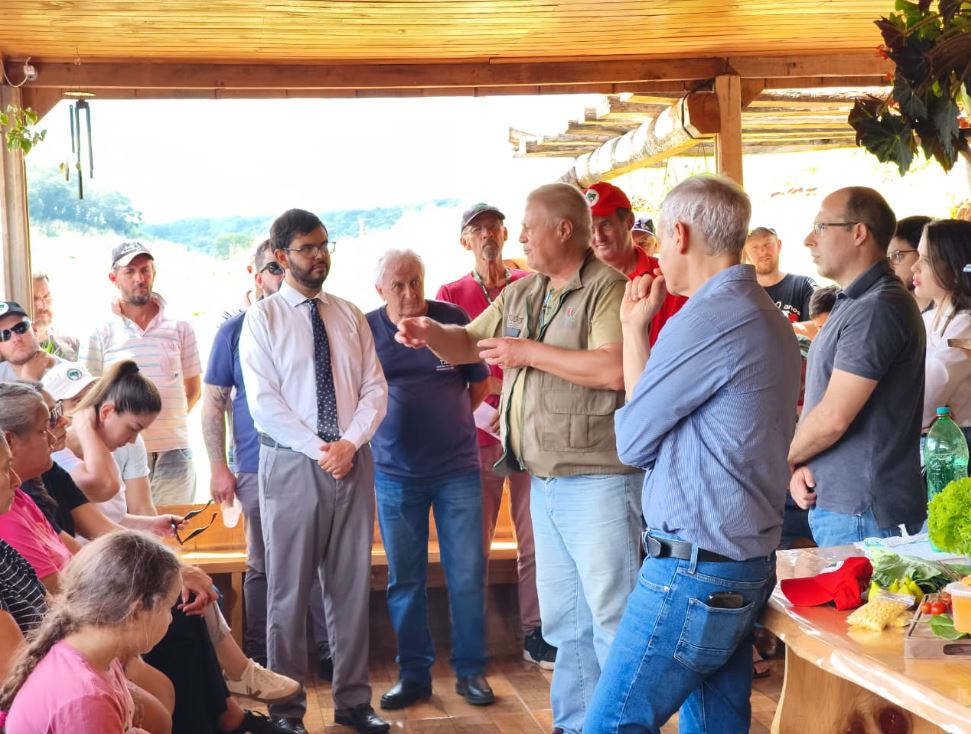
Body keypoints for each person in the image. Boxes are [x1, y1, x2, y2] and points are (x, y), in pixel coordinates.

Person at [396, 183, 642, 734]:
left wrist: (526, 352)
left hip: (599, 480)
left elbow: (613, 369)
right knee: (565, 622)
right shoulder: (523, 292)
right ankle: (575, 724)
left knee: (612, 616)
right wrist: (429, 333)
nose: (521, 238)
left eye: (529, 227)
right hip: (544, 480)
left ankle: (620, 725)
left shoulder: (609, 289)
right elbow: (467, 343)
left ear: (563, 230)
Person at [583, 175, 800, 733]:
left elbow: (633, 442)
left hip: (693, 569)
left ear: (679, 234)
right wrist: (634, 330)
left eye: (658, 235)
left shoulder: (706, 319)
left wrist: (639, 333)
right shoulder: (762, 312)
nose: (656, 249)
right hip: (738, 562)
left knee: (610, 724)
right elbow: (648, 418)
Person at [240, 208, 389, 734]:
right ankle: (286, 711)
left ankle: (353, 702)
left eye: (325, 245)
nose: (320, 255)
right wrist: (320, 448)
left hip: (352, 459)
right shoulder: (263, 319)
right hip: (292, 464)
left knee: (350, 588)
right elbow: (264, 403)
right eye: (308, 248)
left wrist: (349, 444)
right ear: (282, 257)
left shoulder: (349, 314)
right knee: (287, 593)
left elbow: (375, 387)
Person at [367, 249, 493, 709]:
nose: (409, 293)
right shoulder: (367, 329)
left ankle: (471, 671)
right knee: (405, 580)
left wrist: (449, 422)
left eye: (415, 282)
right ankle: (414, 674)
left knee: (467, 574)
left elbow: (479, 384)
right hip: (395, 475)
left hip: (457, 471)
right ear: (380, 290)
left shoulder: (450, 318)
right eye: (398, 285)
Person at [204, 238, 332, 676]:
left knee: (316, 561)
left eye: (286, 268)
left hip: (314, 460)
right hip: (255, 465)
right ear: (257, 276)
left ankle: (327, 649)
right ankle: (259, 654)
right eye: (274, 270)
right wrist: (218, 466)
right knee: (260, 562)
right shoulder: (234, 330)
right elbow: (213, 402)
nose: (281, 277)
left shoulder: (319, 320)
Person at [435, 202, 554, 671]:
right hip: (477, 440)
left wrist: (513, 401)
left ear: (505, 234)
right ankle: (472, 640)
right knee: (472, 545)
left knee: (535, 539)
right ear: (464, 241)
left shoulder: (531, 284)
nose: (487, 235)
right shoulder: (451, 293)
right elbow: (449, 365)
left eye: (493, 226)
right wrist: (490, 406)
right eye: (477, 229)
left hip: (529, 434)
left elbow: (546, 352)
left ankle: (536, 632)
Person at [789, 187, 925, 547]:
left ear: (858, 232)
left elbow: (833, 417)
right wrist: (804, 462)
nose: (809, 240)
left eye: (821, 227)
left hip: (864, 515)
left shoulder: (876, 306)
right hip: (845, 506)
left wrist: (783, 458)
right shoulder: (855, 300)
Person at [0, 531, 181, 733]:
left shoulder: (97, 656)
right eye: (168, 608)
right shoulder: (87, 700)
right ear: (136, 612)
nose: (170, 619)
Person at [80, 241, 202, 506]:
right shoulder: (100, 330)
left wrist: (161, 427)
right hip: (120, 452)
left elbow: (193, 390)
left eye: (145, 270)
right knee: (128, 525)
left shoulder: (180, 325)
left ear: (153, 273)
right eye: (130, 271)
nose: (140, 278)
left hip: (174, 452)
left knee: (174, 526)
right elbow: (87, 396)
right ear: (114, 278)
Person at [584, 181, 687, 346]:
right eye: (590, 229)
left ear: (629, 221)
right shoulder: (577, 283)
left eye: (606, 225)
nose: (598, 237)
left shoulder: (666, 275)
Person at [911, 219, 971, 441]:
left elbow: (922, 401)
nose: (914, 267)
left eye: (926, 260)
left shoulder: (965, 326)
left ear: (955, 268)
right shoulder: (926, 319)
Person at [745, 226, 817, 322]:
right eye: (755, 247)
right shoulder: (741, 292)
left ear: (779, 245)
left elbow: (820, 325)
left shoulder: (804, 285)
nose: (763, 251)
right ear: (746, 254)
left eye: (768, 244)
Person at [0, 301, 58, 383]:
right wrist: (28, 380)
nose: (15, 338)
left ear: (34, 329)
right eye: (4, 335)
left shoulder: (66, 373)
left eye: (20, 328)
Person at [32, 273, 80, 361]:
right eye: (34, 298)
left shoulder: (72, 344)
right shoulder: (12, 353)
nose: (43, 306)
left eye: (46, 296)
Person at [890, 215, 933, 312]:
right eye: (888, 257)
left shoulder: (956, 315)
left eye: (897, 256)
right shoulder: (888, 307)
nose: (890, 266)